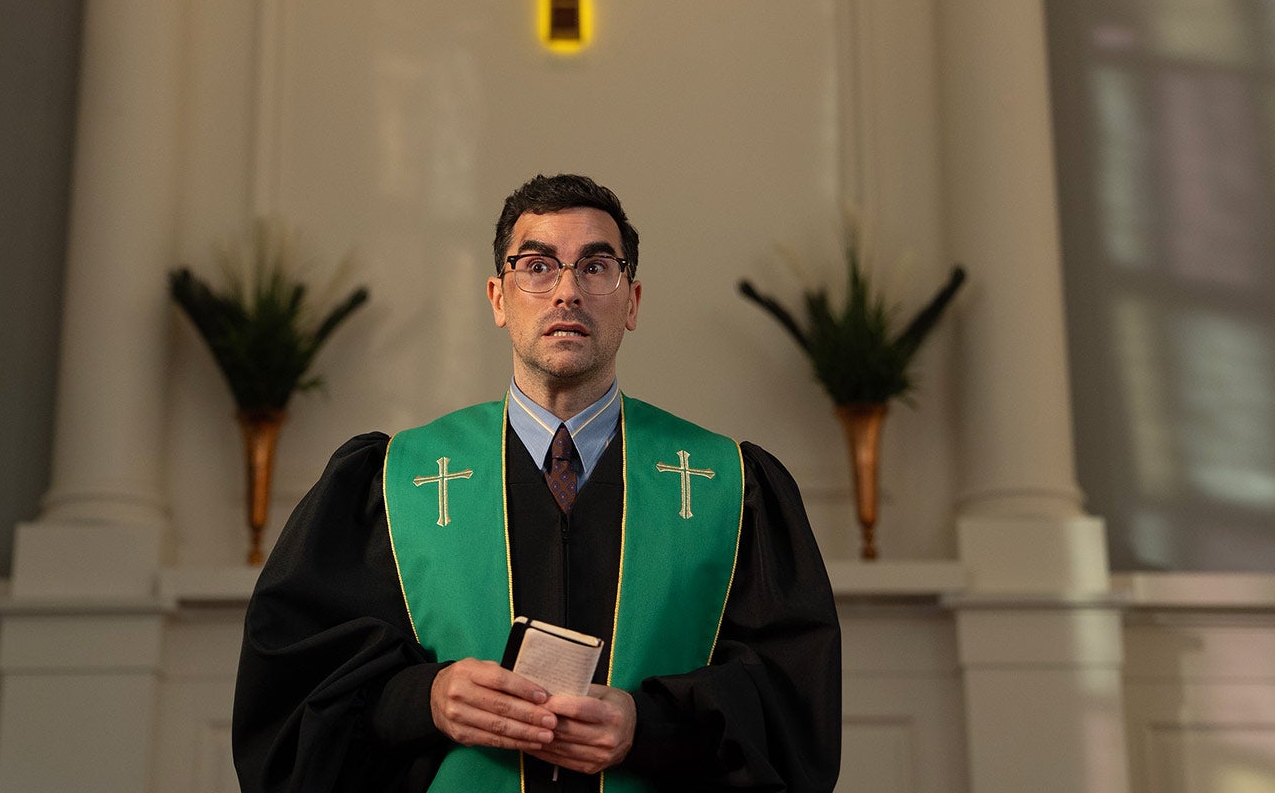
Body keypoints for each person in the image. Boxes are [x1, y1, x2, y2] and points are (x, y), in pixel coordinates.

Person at [233, 173, 841, 793]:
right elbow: (296, 691)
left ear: (631, 301)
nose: (567, 292)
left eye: (597, 267)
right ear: (498, 298)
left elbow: (790, 701)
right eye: (538, 265)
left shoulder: (730, 486)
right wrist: (428, 698)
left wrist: (651, 724)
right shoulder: (393, 481)